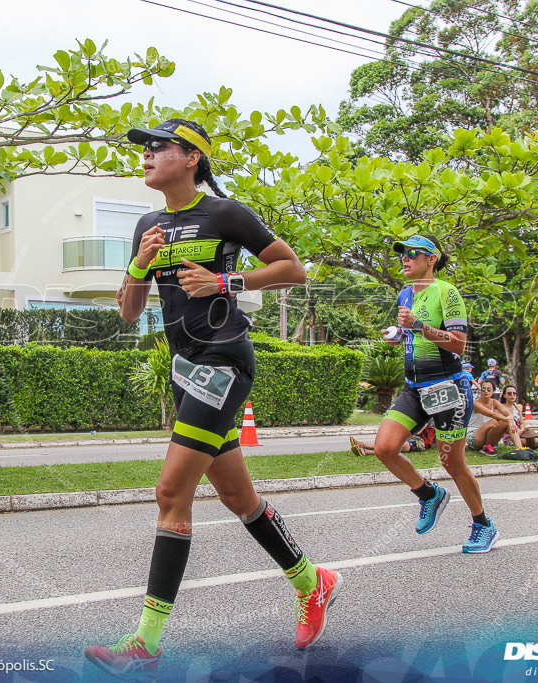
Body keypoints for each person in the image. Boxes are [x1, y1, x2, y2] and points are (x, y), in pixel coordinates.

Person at [84, 119, 339, 678]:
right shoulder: (148, 224)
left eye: (159, 148)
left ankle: (146, 644)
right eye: (145, 150)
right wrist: (138, 265)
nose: (147, 156)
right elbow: (129, 312)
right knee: (238, 497)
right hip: (185, 367)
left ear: (191, 158)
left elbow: (293, 268)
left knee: (171, 490)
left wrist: (228, 283)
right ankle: (311, 581)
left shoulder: (225, 213)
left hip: (223, 360)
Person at [373, 234, 499, 555]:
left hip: (447, 387)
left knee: (453, 465)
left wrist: (416, 326)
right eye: (402, 254)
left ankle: (483, 525)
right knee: (385, 448)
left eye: (413, 254)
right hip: (415, 387)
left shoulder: (447, 292)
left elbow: (458, 343)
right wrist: (398, 335)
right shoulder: (404, 294)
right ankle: (429, 495)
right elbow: (411, 336)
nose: (405, 258)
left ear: (432, 259)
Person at [465, 379, 524, 454]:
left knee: (505, 423)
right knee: (495, 421)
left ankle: (519, 449)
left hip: (488, 434)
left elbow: (507, 412)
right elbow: (491, 414)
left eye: (489, 389)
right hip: (474, 436)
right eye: (483, 389)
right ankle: (486, 447)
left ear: (493, 391)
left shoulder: (495, 402)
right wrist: (508, 419)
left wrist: (511, 421)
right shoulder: (475, 403)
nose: (486, 391)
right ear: (480, 390)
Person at [501, 385, 538, 450]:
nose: (512, 395)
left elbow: (522, 423)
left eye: (514, 393)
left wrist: (521, 430)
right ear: (504, 395)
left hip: (522, 432)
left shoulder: (516, 407)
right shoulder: (501, 408)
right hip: (510, 436)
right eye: (509, 394)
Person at [350, 423, 435, 456]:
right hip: (409, 439)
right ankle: (364, 451)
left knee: (398, 445)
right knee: (391, 444)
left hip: (419, 442)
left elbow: (417, 431)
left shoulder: (427, 422)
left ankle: (362, 445)